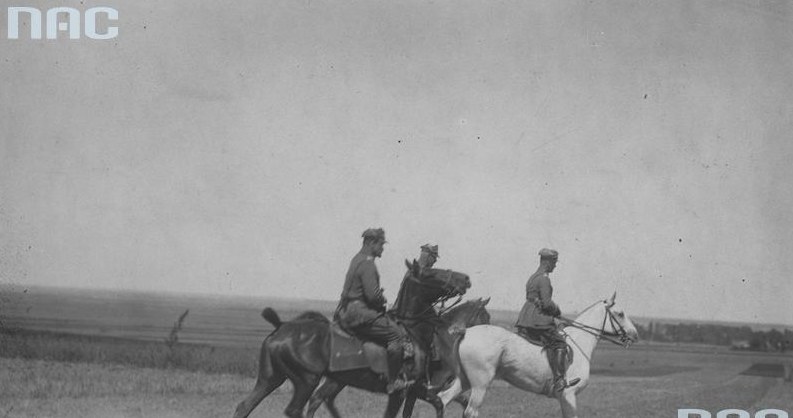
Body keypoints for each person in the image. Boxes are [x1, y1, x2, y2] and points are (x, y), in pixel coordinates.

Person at [334, 228, 410, 393]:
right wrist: (384, 302)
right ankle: (393, 381)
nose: (382, 248)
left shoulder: (357, 259)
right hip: (361, 313)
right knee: (396, 334)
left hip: (347, 312)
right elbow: (373, 296)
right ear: (371, 243)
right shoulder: (368, 263)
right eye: (381, 244)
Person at [515, 248, 580, 392]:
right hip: (538, 319)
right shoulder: (544, 278)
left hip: (526, 316)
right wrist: (557, 311)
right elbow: (547, 303)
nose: (555, 265)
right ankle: (559, 380)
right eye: (554, 262)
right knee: (560, 343)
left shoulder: (533, 277)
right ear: (547, 262)